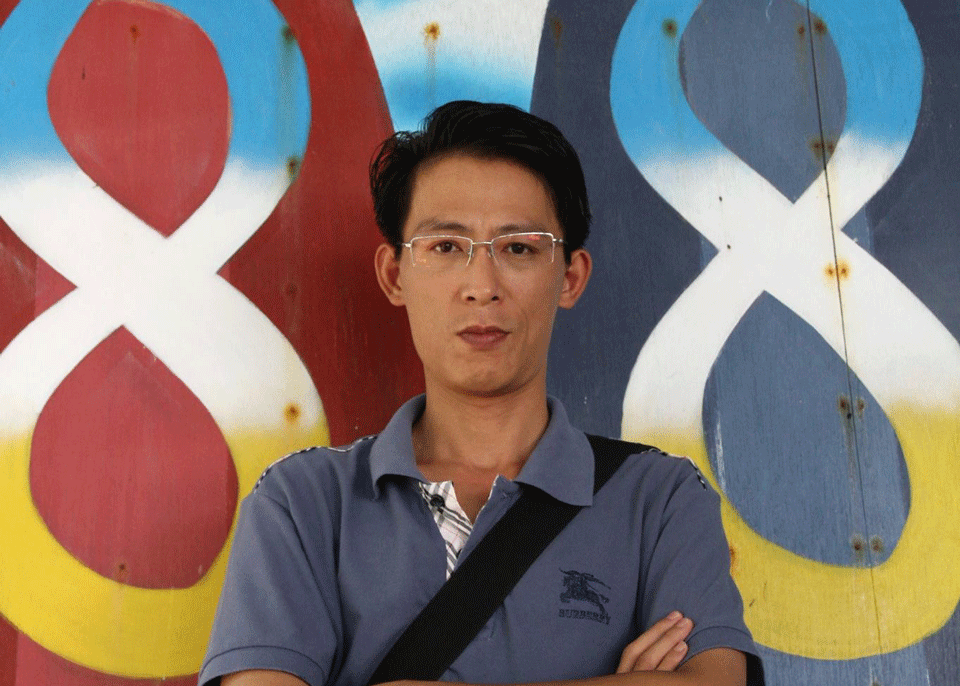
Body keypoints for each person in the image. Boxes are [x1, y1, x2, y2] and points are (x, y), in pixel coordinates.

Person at [198, 101, 763, 686]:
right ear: (394, 274)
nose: (482, 286)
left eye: (519, 248)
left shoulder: (659, 497)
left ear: (569, 277)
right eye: (446, 246)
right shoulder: (304, 502)